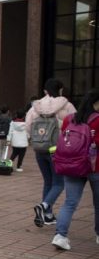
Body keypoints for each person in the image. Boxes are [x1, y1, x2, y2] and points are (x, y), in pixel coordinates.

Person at [51, 90, 99, 250]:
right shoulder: (98, 120)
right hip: (95, 167)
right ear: (96, 103)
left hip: (72, 165)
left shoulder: (69, 119)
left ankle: (60, 235)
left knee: (70, 202)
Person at [26, 79, 76, 227]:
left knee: (48, 181)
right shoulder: (66, 106)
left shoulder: (36, 107)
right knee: (59, 183)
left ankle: (47, 215)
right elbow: (75, 127)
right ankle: (44, 206)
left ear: (45, 91)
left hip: (39, 149)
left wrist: (37, 138)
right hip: (57, 149)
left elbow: (28, 126)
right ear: (60, 90)